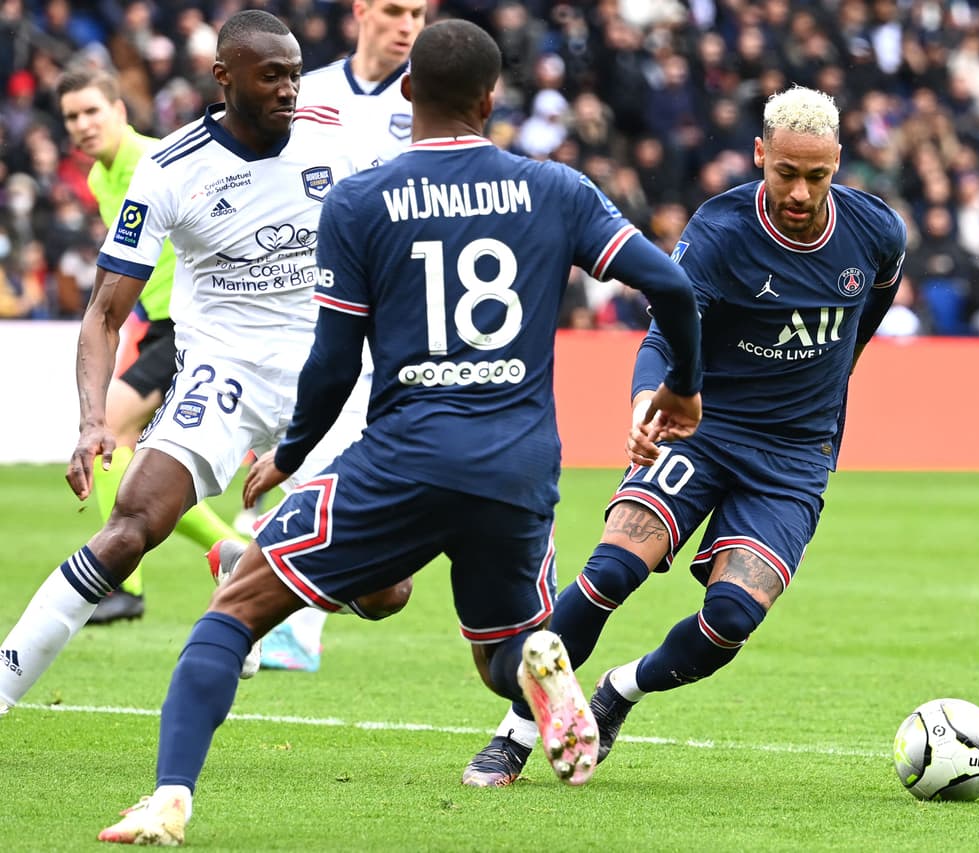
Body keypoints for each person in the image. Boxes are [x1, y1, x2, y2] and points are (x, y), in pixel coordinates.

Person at [95, 19, 702, 846]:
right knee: (501, 654)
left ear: (409, 90)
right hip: (518, 464)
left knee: (235, 605)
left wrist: (291, 453)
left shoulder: (361, 199)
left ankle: (170, 795)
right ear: (492, 100)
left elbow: (333, 361)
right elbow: (671, 286)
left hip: (404, 458)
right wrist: (682, 389)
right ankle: (538, 664)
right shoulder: (555, 188)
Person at [462, 85, 907, 787]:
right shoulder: (722, 230)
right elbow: (667, 331)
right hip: (705, 428)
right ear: (759, 154)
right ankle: (515, 731)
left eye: (817, 175)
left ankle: (619, 691)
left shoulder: (877, 233)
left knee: (731, 617)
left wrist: (827, 389)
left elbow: (866, 318)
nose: (799, 191)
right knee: (612, 570)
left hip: (795, 455)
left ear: (838, 163)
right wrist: (648, 400)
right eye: (786, 172)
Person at [0, 9, 376, 719]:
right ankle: (4, 681)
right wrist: (92, 421)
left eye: (295, 75)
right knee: (132, 524)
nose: (289, 89)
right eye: (271, 76)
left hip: (329, 376)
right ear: (223, 78)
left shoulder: (337, 140)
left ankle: (251, 562)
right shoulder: (171, 167)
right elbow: (104, 313)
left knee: (385, 592)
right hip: (223, 371)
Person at [254, 0, 430, 674]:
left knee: (346, 476)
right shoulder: (309, 91)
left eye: (418, 13)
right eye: (394, 10)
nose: (406, 25)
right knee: (315, 466)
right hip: (309, 307)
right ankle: (290, 618)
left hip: (400, 316)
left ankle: (273, 588)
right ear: (361, 10)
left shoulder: (431, 99)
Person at [56, 66, 245, 625]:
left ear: (119, 111)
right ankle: (232, 553)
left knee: (112, 428)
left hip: (194, 322)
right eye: (72, 116)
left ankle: (124, 586)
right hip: (161, 326)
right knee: (135, 455)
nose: (83, 124)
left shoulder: (156, 159)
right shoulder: (100, 178)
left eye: (92, 111)